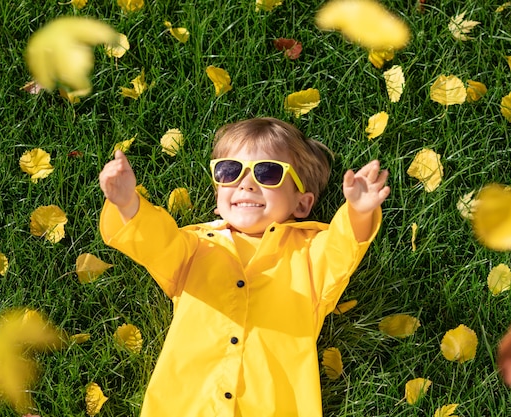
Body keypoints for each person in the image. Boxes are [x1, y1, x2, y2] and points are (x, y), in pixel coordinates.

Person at [98, 117, 390, 417]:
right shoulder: (194, 247)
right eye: (229, 171)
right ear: (217, 197)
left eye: (268, 172)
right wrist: (127, 203)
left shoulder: (308, 255)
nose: (247, 183)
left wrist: (358, 211)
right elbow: (156, 242)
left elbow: (342, 248)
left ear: (301, 204)